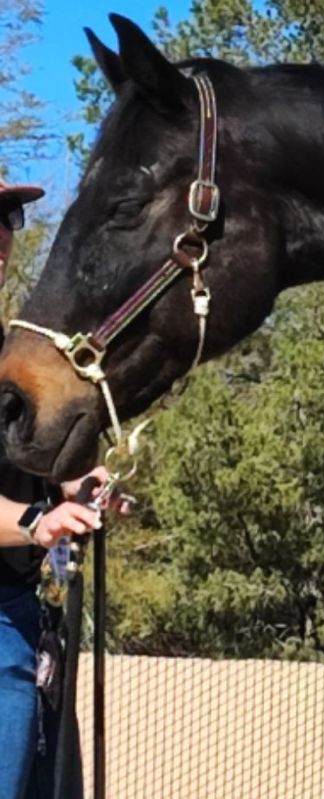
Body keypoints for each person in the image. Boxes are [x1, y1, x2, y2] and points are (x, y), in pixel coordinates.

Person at [0, 178, 112, 799]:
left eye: (8, 217)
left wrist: (78, 486)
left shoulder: (12, 357)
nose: (1, 234)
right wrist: (33, 523)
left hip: (19, 617)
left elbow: (30, 456)